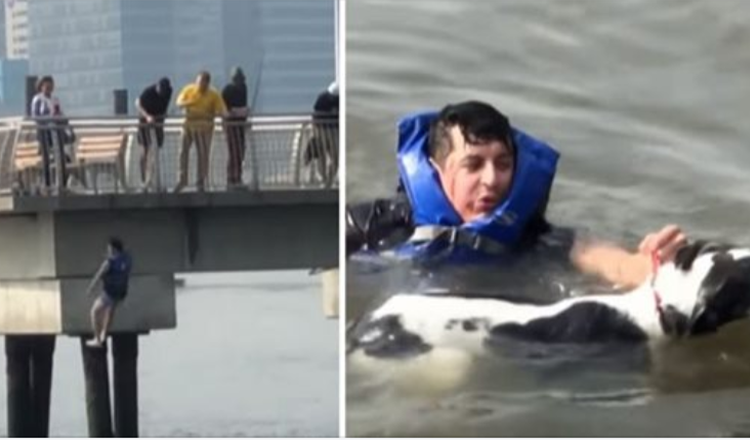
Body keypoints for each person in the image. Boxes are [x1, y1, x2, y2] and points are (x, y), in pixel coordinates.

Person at [346, 100, 686, 290]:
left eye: (503, 164)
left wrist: (645, 263)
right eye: (473, 165)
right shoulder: (376, 225)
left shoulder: (531, 237)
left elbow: (607, 260)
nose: (492, 180)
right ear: (438, 170)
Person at [174, 71, 227, 193]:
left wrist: (222, 116)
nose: (200, 86)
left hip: (204, 128)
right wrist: (190, 103)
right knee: (183, 152)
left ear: (207, 83)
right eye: (198, 83)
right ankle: (182, 180)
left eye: (202, 84)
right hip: (188, 126)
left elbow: (222, 110)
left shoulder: (213, 95)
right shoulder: (189, 89)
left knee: (203, 155)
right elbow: (179, 103)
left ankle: (201, 181)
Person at [85, 237, 133, 348]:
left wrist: (91, 288)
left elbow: (98, 275)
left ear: (113, 249)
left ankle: (97, 339)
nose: (108, 251)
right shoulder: (126, 259)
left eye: (109, 249)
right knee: (110, 311)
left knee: (94, 312)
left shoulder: (108, 263)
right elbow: (125, 254)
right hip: (121, 293)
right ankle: (104, 334)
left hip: (109, 293)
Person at [30, 76, 70, 194]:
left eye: (51, 86)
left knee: (61, 155)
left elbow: (60, 114)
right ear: (41, 87)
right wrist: (47, 119)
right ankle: (47, 184)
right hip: (44, 132)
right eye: (46, 86)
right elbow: (36, 116)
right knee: (46, 157)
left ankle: (62, 183)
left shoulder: (55, 99)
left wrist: (62, 120)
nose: (49, 89)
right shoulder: (38, 99)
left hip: (56, 131)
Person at [135, 77, 172, 192]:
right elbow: (138, 103)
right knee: (145, 150)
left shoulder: (168, 92)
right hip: (145, 123)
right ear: (157, 86)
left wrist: (164, 115)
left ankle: (154, 180)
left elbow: (165, 105)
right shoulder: (149, 91)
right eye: (160, 91)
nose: (162, 93)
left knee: (155, 152)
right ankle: (143, 180)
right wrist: (146, 116)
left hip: (158, 123)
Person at [305, 81, 339, 187]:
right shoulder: (323, 99)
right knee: (322, 155)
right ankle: (324, 180)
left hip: (333, 130)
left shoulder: (327, 98)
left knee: (335, 156)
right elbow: (315, 116)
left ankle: (328, 180)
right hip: (323, 130)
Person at [221, 67, 250, 189]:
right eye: (238, 79)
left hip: (241, 125)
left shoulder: (244, 88)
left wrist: (245, 113)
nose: (240, 82)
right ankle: (231, 178)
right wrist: (236, 112)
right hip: (230, 125)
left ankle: (238, 177)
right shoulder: (227, 90)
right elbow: (224, 110)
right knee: (234, 152)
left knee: (241, 151)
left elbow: (243, 105)